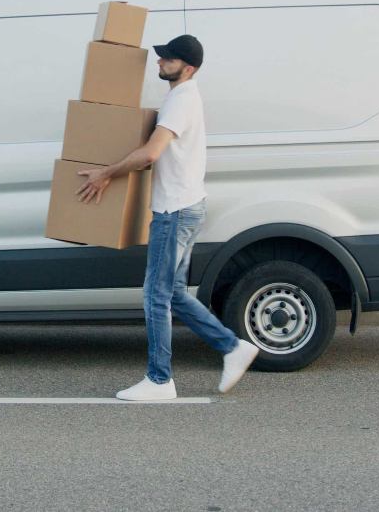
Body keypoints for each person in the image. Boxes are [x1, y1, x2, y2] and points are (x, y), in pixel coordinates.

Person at [75, 34, 259, 400]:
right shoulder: (182, 97)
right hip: (187, 205)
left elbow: (150, 154)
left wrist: (105, 173)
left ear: (187, 68)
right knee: (172, 292)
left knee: (155, 295)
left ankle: (160, 380)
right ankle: (233, 347)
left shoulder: (182, 99)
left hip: (175, 211)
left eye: (168, 59)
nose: (159, 62)